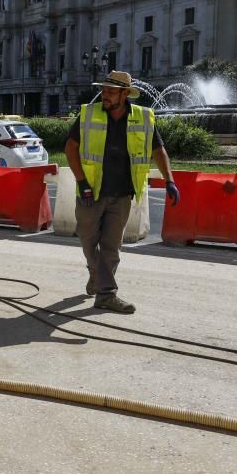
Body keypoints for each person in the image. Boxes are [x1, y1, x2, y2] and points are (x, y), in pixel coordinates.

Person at [64, 70, 180, 314]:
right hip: (90, 191)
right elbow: (70, 148)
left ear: (125, 94)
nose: (104, 95)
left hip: (123, 194)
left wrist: (170, 180)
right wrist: (81, 181)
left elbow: (158, 150)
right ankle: (96, 271)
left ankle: (106, 294)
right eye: (104, 90)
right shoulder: (89, 114)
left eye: (110, 91)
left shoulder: (144, 117)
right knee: (87, 240)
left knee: (111, 246)